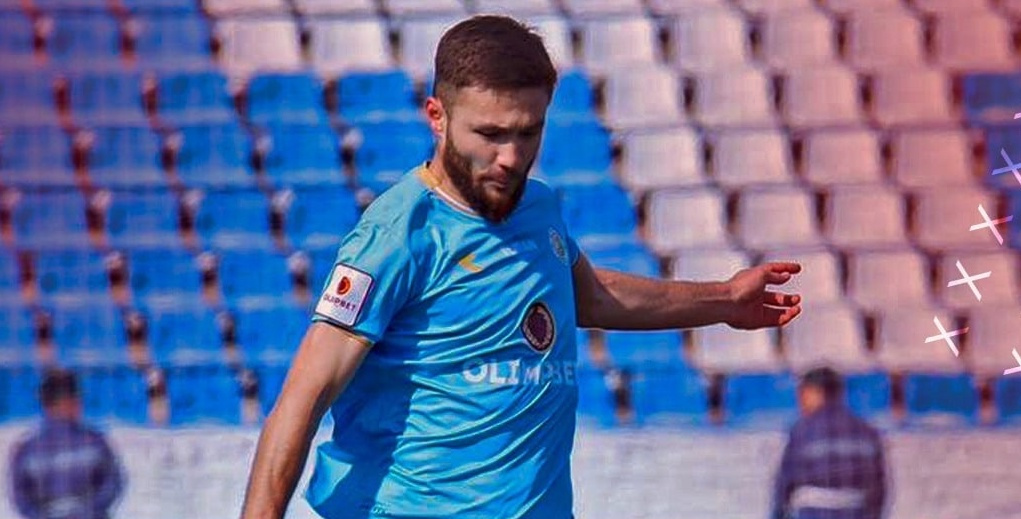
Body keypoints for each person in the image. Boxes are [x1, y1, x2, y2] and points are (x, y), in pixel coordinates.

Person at [241, 14, 802, 519]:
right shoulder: (397, 235)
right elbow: (302, 399)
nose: (510, 158)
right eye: (489, 135)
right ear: (437, 117)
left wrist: (725, 300)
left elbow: (589, 295)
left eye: (528, 132)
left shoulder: (538, 209)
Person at [771, 367, 887, 519]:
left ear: (815, 393)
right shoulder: (867, 432)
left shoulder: (803, 431)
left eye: (803, 394)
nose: (800, 401)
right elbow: (879, 488)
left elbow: (784, 485)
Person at [8, 368, 125, 519]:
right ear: (70, 402)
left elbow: (21, 499)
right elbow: (113, 484)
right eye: (77, 399)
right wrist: (89, 513)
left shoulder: (26, 449)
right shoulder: (95, 442)